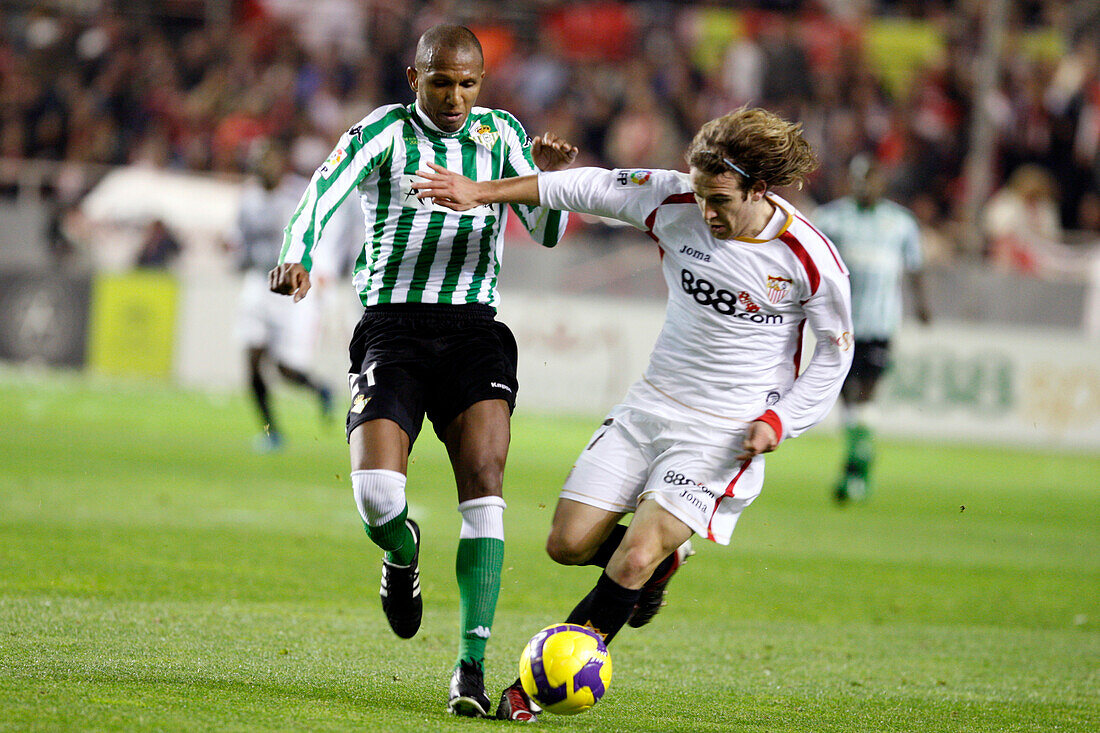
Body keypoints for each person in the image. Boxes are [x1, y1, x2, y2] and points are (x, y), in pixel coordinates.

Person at [414, 106, 854, 721]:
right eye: (700, 195)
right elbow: (585, 186)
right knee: (566, 544)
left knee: (633, 557)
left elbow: (834, 361)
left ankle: (535, 691)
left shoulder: (810, 260)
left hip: (723, 436)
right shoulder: (672, 199)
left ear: (759, 187)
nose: (706, 212)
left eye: (720, 199)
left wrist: (779, 421)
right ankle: (664, 561)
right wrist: (480, 192)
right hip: (649, 407)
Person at [268, 24, 577, 717]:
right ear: (416, 77)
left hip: (473, 332)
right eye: (442, 82)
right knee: (378, 494)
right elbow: (321, 191)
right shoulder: (381, 133)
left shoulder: (502, 134)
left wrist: (548, 182)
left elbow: (547, 233)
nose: (455, 97)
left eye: (468, 83)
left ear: (482, 82)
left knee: (486, 486)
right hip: (393, 329)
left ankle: (471, 664)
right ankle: (402, 552)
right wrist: (299, 254)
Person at [813, 154, 930, 502]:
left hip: (880, 324)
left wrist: (922, 305)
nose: (867, 186)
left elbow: (915, 266)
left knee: (865, 393)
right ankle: (860, 459)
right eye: (861, 179)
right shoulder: (831, 218)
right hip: (840, 324)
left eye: (873, 179)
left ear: (882, 182)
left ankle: (856, 467)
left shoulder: (901, 223)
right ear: (851, 181)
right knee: (848, 397)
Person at [231, 141, 333, 452]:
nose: (263, 167)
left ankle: (319, 389)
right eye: (259, 161)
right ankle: (271, 432)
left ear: (281, 163)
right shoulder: (247, 200)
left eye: (269, 160)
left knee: (284, 369)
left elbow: (317, 236)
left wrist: (316, 276)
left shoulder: (297, 196)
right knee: (251, 360)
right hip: (256, 285)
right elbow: (239, 242)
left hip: (286, 293)